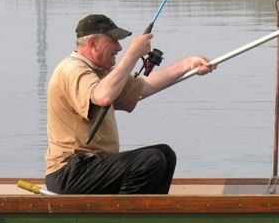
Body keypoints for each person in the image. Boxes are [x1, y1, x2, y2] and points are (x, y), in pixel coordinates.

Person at [45, 13, 214, 195]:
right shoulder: (73, 69)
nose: (119, 47)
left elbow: (144, 86)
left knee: (165, 154)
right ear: (92, 43)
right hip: (70, 171)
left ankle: (147, 215)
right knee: (151, 160)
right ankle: (124, 217)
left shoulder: (101, 73)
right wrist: (132, 54)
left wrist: (189, 64)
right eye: (113, 41)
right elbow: (102, 96)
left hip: (92, 166)